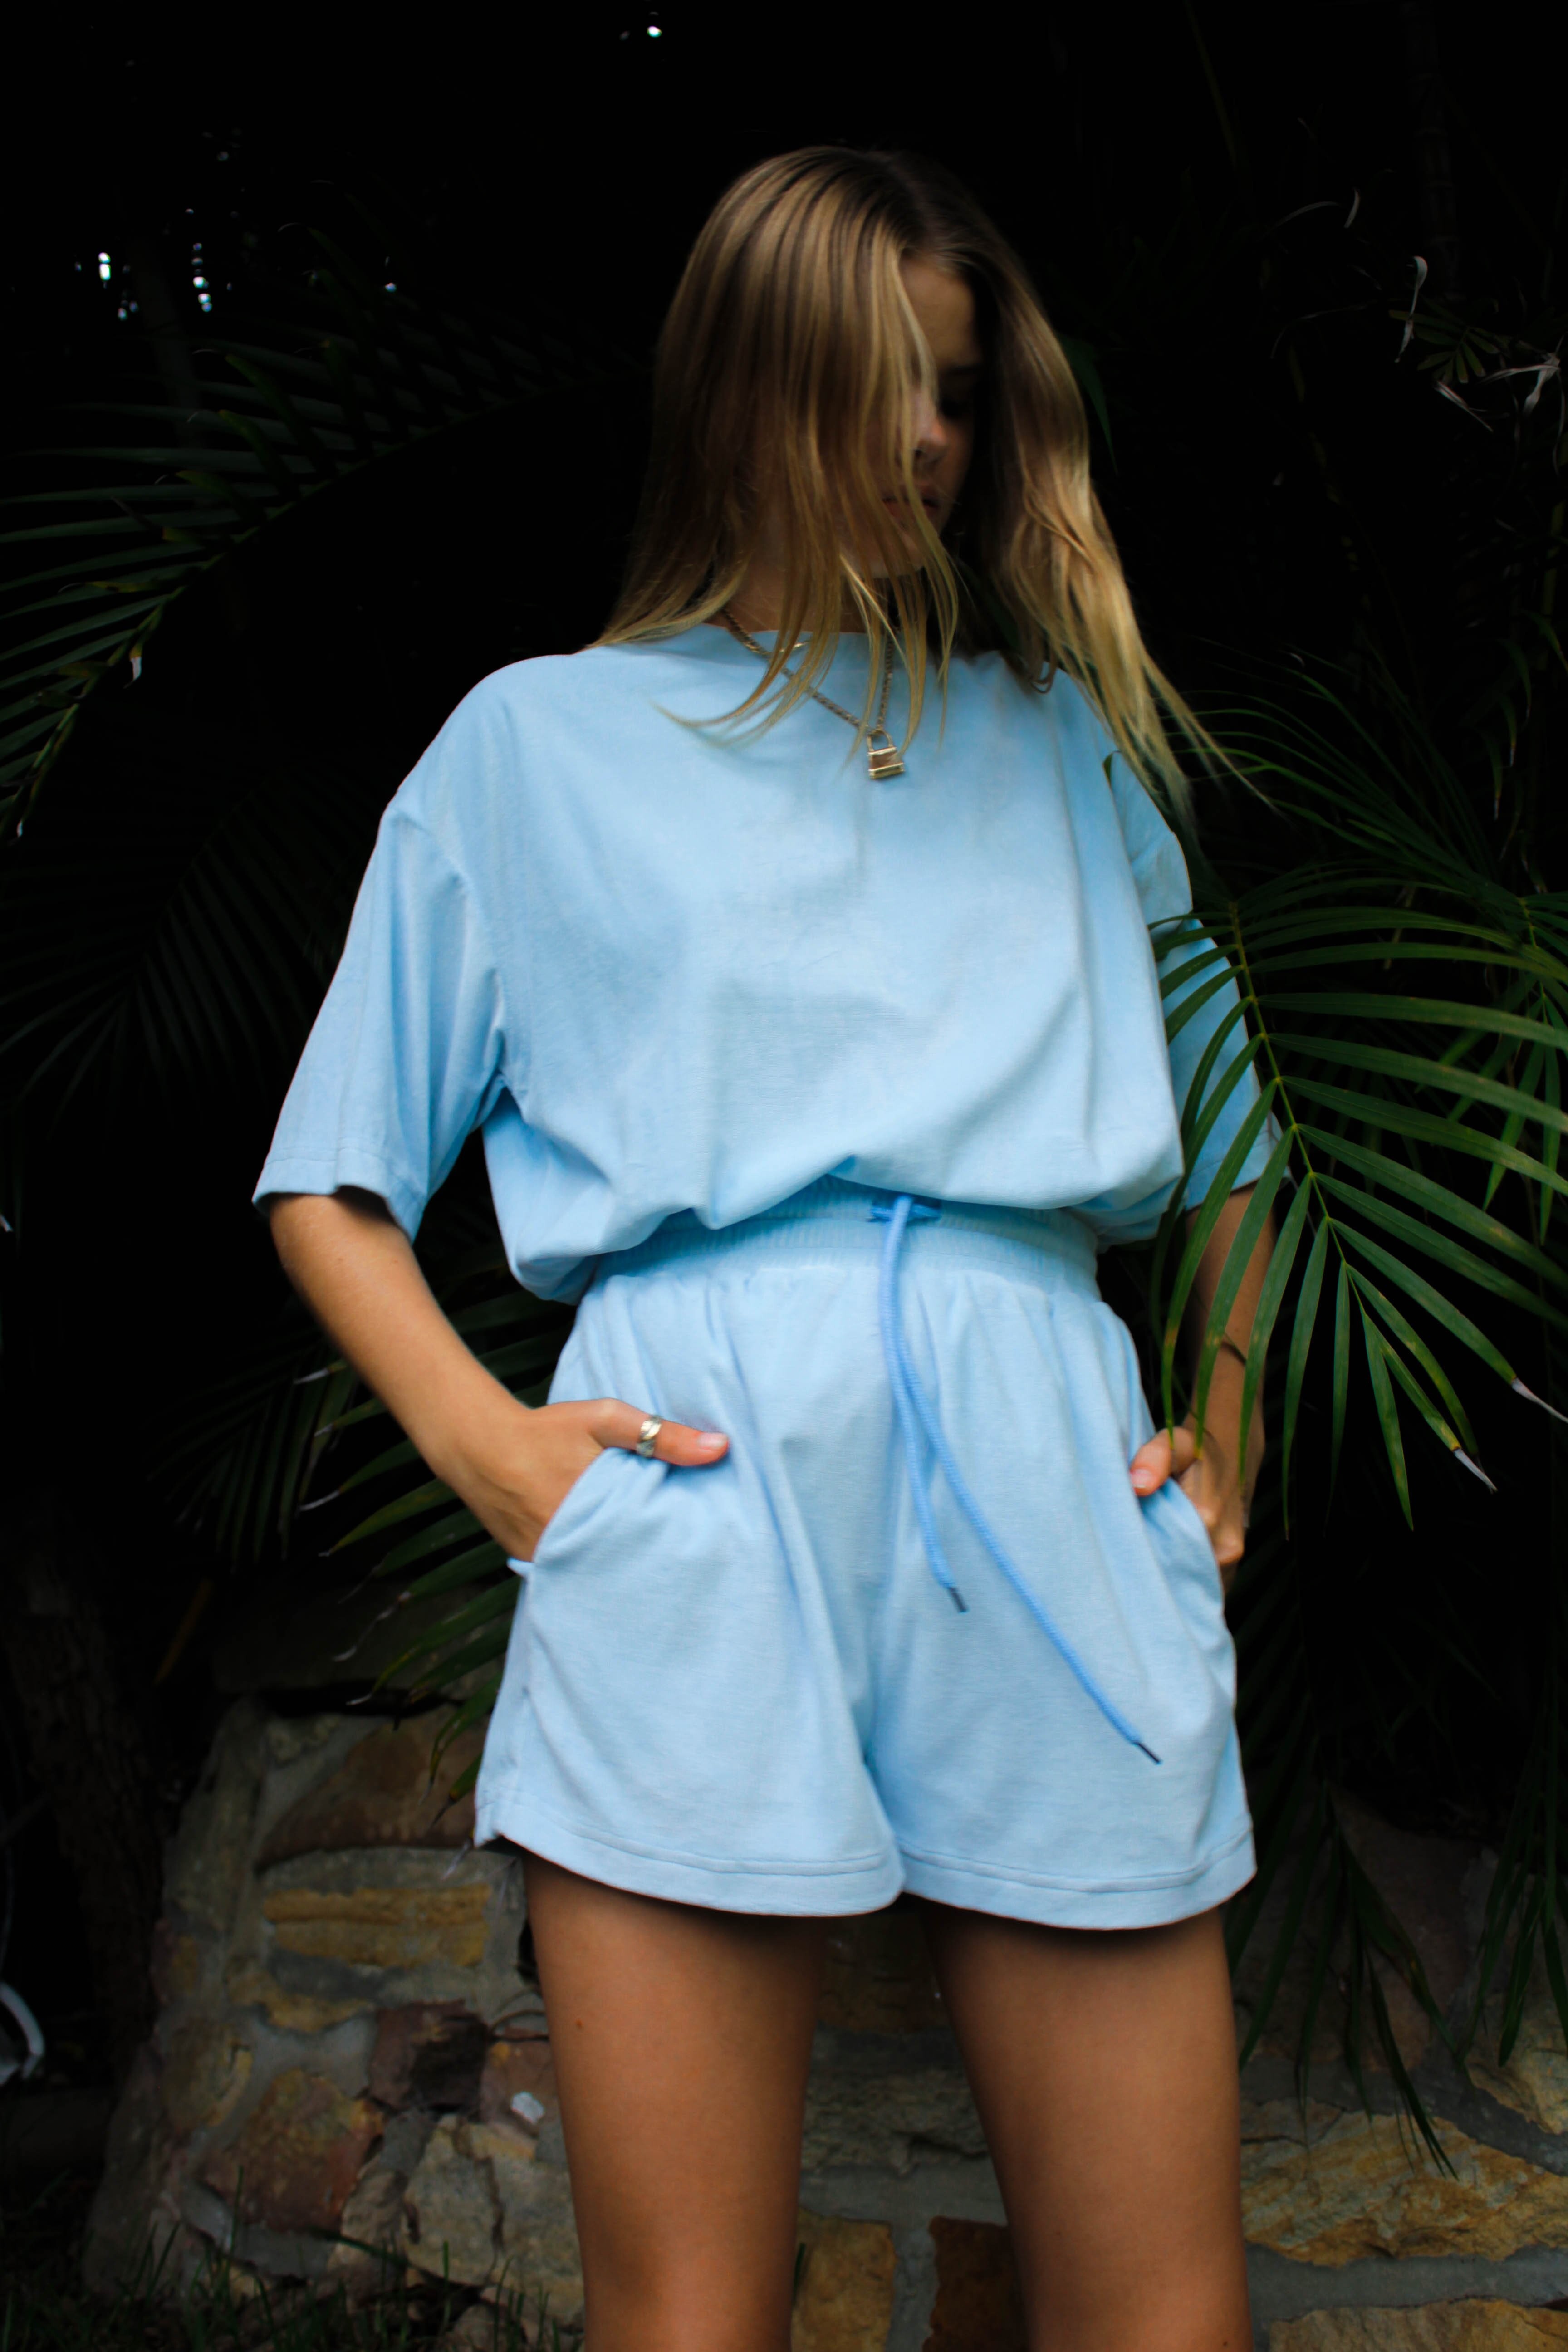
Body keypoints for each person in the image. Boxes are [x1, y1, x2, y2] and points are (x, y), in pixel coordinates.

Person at [259, 147, 1271, 2352]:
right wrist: (498, 1459)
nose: (927, 437)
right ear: (740, 389)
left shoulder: (1067, 745)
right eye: (878, 382)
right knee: (689, 2318)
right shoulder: (535, 747)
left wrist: (1228, 1412)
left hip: (1050, 1487)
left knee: (1164, 2314)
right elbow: (329, 1178)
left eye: (960, 392)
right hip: (694, 1500)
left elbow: (1239, 1133)